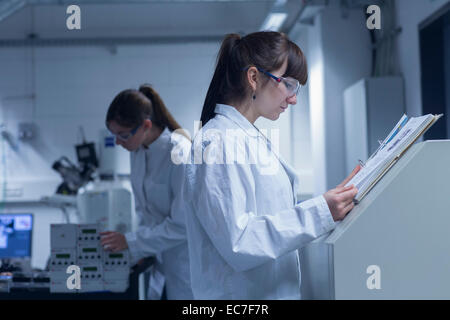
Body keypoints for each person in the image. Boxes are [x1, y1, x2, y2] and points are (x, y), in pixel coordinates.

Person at [182, 31, 361, 299]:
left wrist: (330, 206)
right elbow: (239, 241)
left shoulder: (244, 138)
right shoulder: (218, 143)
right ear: (253, 77)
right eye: (288, 84)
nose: (294, 98)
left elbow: (269, 222)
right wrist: (320, 212)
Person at [101, 84, 193, 299]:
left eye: (123, 135)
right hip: (159, 263)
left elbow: (182, 225)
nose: (117, 142)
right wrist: (139, 250)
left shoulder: (180, 151)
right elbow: (145, 212)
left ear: (146, 125)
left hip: (186, 265)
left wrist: (132, 242)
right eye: (114, 134)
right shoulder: (138, 151)